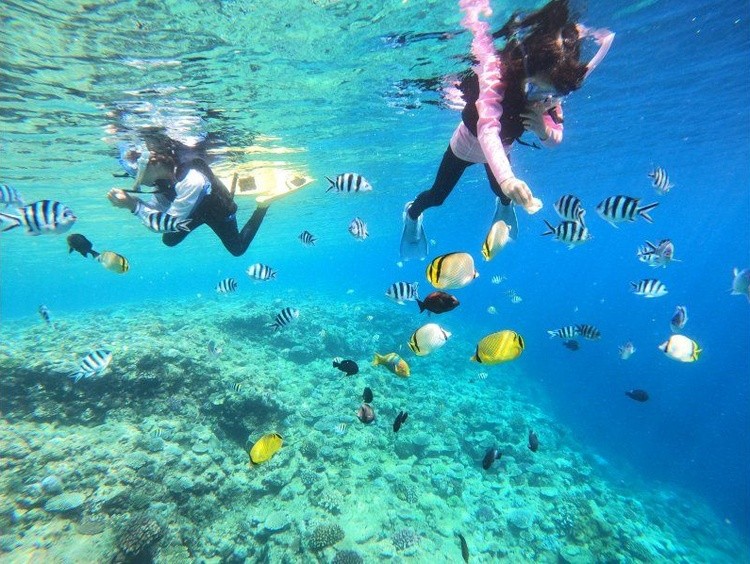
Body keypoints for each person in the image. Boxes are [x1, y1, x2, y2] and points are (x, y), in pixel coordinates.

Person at [400, 0, 614, 260]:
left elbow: (555, 138)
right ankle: (412, 214)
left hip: (502, 149)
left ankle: (503, 204)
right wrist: (508, 178)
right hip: (465, 146)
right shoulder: (496, 75)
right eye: (536, 89)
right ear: (526, 72)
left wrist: (543, 130)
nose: (541, 99)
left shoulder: (551, 92)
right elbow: (488, 129)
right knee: (437, 197)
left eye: (550, 94)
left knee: (502, 193)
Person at [108, 135, 302, 256]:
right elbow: (159, 209)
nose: (134, 177)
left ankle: (262, 206)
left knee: (237, 250)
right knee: (169, 240)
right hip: (191, 211)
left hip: (217, 208)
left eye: (136, 171)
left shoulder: (191, 179)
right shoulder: (161, 179)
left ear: (153, 164)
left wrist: (133, 206)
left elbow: (166, 222)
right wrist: (135, 203)